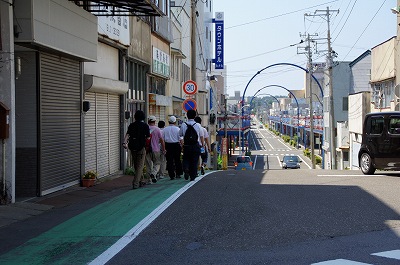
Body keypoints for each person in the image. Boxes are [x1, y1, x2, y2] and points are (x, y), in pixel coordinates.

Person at [122, 110, 150, 189]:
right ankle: (136, 183)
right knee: (140, 166)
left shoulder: (132, 125)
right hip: (141, 147)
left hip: (132, 146)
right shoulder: (145, 125)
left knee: (136, 165)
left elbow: (127, 134)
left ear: (135, 116)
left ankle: (141, 181)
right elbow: (148, 137)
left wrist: (124, 143)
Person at [179, 109, 204, 181]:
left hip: (186, 145)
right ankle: (192, 176)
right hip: (195, 145)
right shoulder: (198, 125)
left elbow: (180, 134)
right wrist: (202, 145)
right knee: (194, 160)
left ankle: (186, 169)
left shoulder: (184, 125)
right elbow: (201, 136)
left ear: (187, 116)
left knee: (186, 159)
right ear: (195, 116)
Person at [145, 116, 166, 184]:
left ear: (148, 121)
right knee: (157, 163)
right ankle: (154, 173)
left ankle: (149, 180)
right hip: (156, 149)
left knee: (148, 165)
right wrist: (163, 149)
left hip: (147, 149)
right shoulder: (157, 129)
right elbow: (162, 140)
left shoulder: (145, 128)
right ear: (154, 121)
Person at [162, 116, 183, 180]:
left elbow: (162, 139)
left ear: (168, 122)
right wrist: (182, 146)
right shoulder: (177, 129)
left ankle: (171, 175)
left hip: (168, 145)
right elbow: (181, 139)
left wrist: (164, 148)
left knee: (169, 160)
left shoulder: (165, 129)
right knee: (177, 160)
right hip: (176, 145)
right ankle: (178, 173)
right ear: (175, 122)